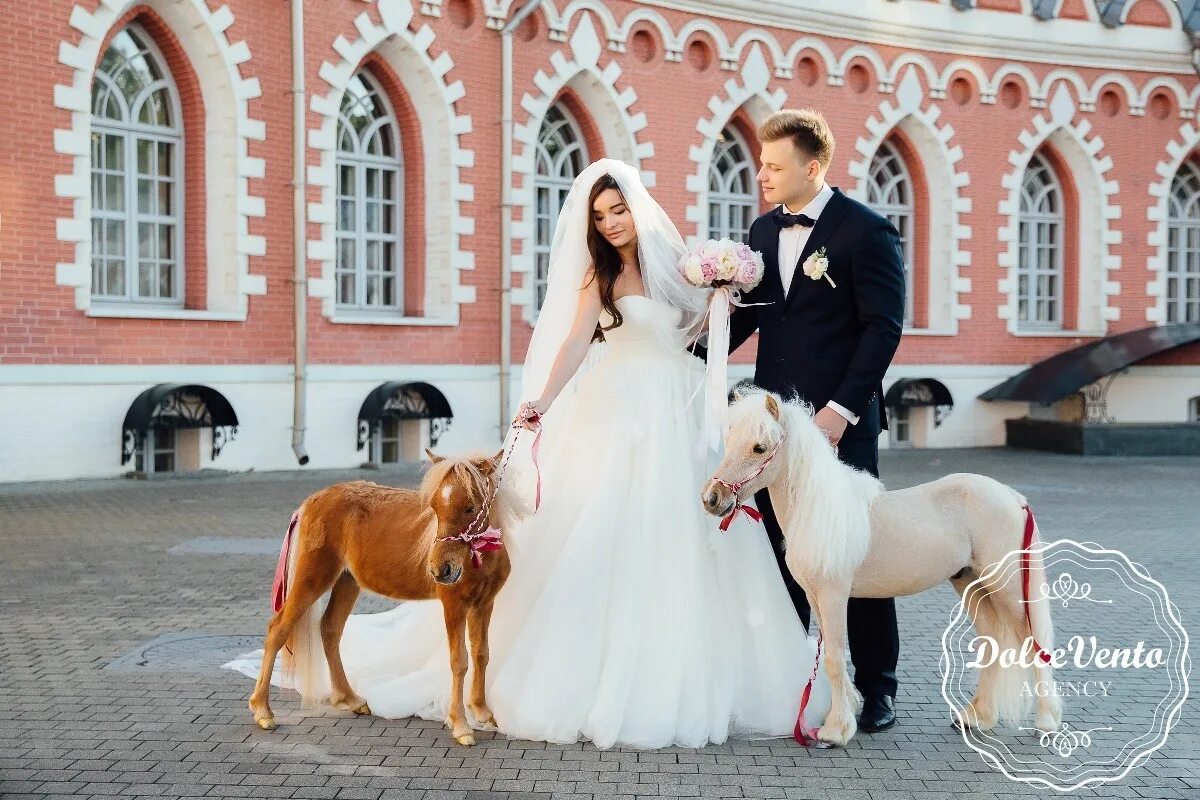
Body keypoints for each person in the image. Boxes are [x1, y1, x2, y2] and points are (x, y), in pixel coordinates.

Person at [226, 157, 830, 749]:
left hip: (680, 408)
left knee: (690, 531)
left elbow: (697, 329)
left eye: (620, 210)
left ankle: (707, 669)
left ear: (639, 209)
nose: (613, 223)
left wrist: (721, 294)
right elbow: (571, 343)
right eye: (601, 216)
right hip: (619, 409)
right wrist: (538, 400)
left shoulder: (679, 268)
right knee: (608, 528)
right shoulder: (600, 279)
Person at [702, 109, 906, 733]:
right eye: (760, 163)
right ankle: (795, 676)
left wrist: (840, 411)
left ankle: (876, 687)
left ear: (811, 167)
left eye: (772, 165)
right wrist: (688, 350)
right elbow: (753, 320)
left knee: (852, 554)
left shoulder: (866, 233)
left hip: (837, 426)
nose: (760, 174)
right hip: (771, 430)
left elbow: (883, 328)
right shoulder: (762, 233)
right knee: (779, 549)